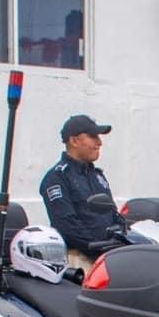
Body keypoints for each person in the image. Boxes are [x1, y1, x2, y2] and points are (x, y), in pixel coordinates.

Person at [39, 114, 124, 270]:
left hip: (108, 257)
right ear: (74, 141)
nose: (99, 142)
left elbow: (112, 214)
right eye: (93, 136)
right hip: (79, 259)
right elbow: (67, 225)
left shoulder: (97, 176)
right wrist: (98, 249)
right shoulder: (57, 178)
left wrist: (123, 240)